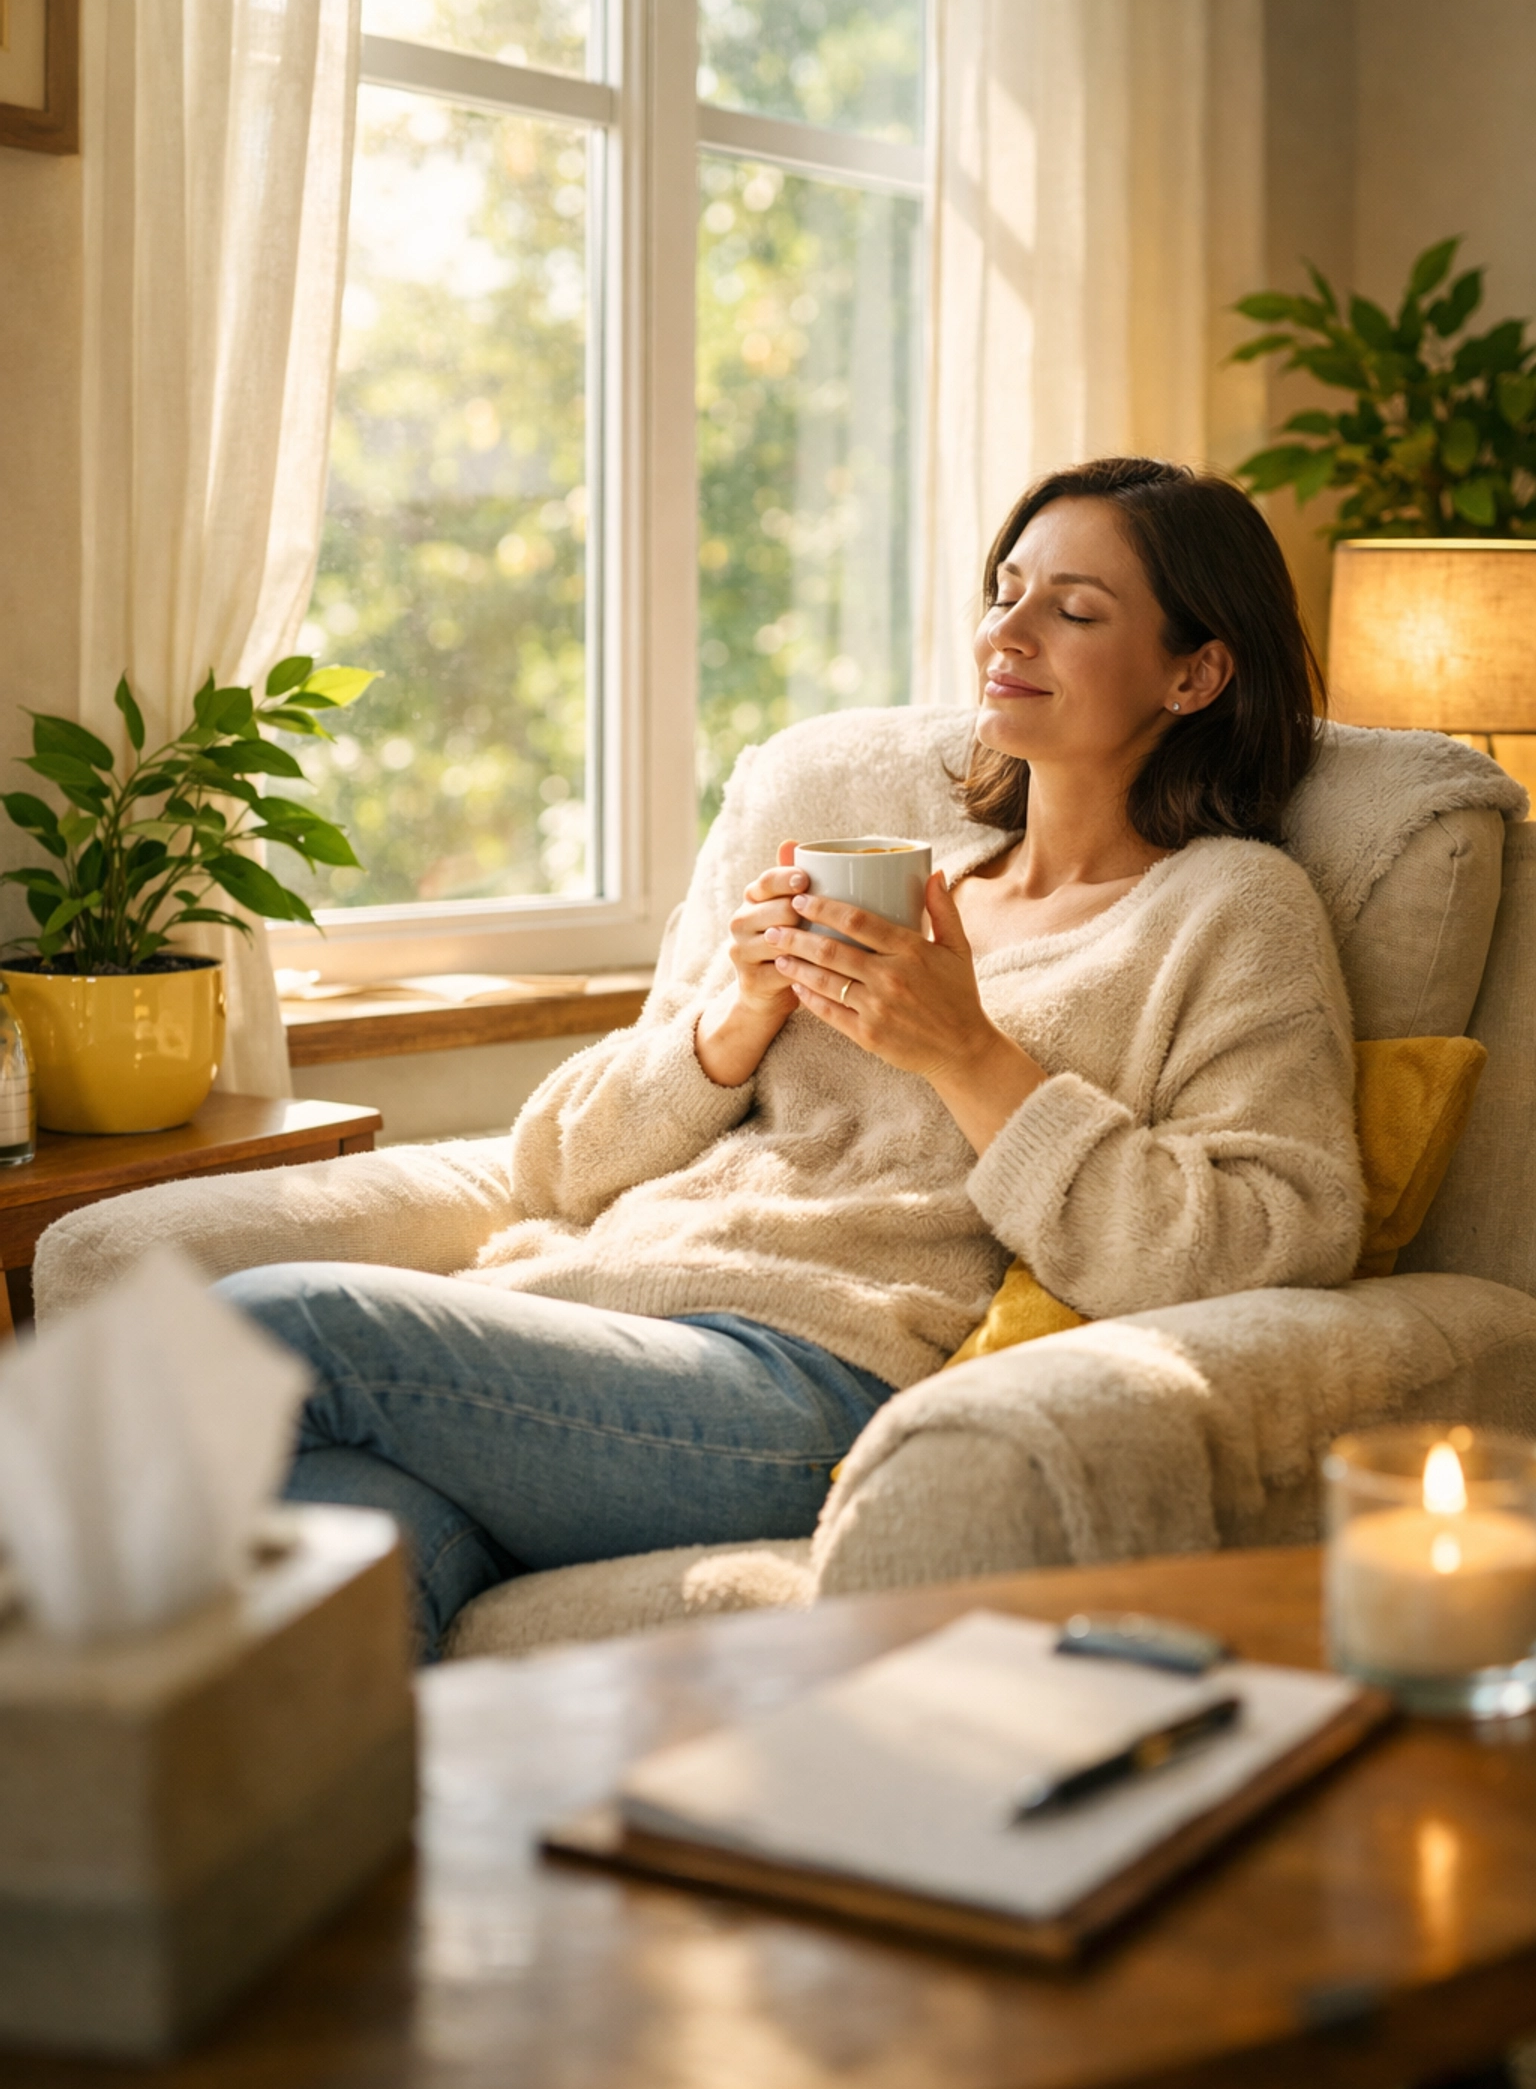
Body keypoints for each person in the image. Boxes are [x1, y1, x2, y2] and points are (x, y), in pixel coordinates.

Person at [223, 458, 1363, 1656]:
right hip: (594, 1320)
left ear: (1197, 670)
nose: (1007, 635)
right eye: (1005, 592)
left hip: (811, 1382)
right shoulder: (901, 881)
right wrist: (735, 1020)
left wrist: (968, 1055)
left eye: (1074, 611)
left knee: (275, 1320)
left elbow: (1271, 1237)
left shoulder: (1231, 909)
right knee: (339, 1558)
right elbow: (554, 1169)